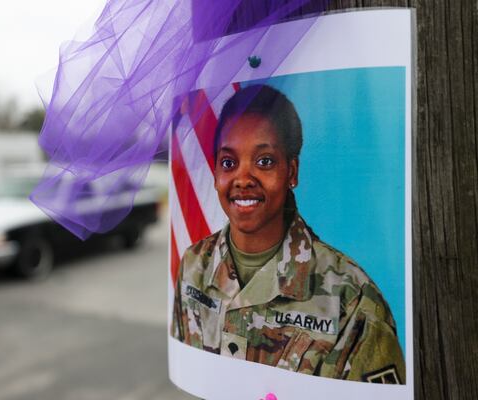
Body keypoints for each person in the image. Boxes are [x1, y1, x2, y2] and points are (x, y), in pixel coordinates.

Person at [171, 85, 406, 384]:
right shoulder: (193, 265)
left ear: (291, 172)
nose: (242, 179)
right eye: (228, 163)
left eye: (264, 161)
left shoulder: (352, 300)